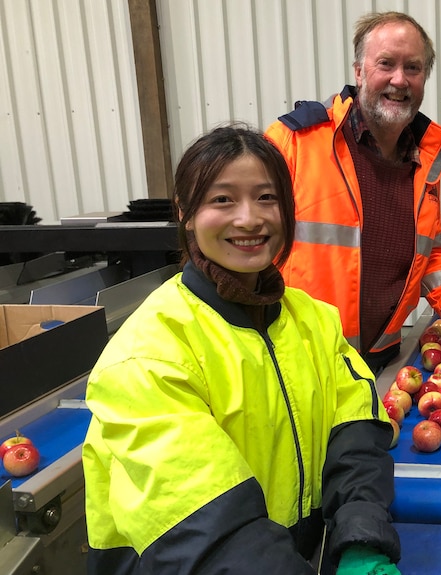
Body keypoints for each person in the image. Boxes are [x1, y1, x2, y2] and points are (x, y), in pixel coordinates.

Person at [82, 124, 401, 575]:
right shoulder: (149, 355)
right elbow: (205, 527)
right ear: (186, 214)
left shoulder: (315, 322)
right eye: (222, 199)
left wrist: (361, 539)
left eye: (267, 197)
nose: (250, 218)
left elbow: (355, 435)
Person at [265, 11, 441, 374]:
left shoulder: (425, 160)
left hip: (381, 363)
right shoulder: (295, 141)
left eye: (412, 68)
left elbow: (429, 254)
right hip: (301, 363)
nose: (399, 79)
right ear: (358, 71)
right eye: (386, 63)